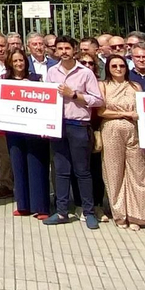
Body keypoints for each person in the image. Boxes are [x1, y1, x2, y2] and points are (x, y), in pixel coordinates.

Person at [44, 38, 102, 229]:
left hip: (78, 124)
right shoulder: (52, 72)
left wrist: (74, 95)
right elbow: (46, 98)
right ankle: (61, 212)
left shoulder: (85, 73)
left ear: (74, 50)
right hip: (58, 125)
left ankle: (88, 211)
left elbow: (97, 100)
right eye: (60, 48)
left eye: (67, 48)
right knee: (61, 170)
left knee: (82, 171)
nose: (63, 51)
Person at [97, 55, 145, 231]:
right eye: (114, 66)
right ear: (108, 68)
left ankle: (137, 215)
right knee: (114, 172)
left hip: (134, 131)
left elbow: (143, 107)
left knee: (138, 172)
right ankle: (120, 214)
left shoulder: (135, 86)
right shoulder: (103, 85)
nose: (118, 69)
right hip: (111, 130)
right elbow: (101, 111)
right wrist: (124, 114)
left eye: (121, 66)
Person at [0, 47, 51, 219]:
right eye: (15, 61)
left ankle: (41, 207)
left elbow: (46, 104)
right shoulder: (4, 80)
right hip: (14, 130)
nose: (18, 64)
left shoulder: (37, 79)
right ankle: (23, 205)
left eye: (21, 60)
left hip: (35, 131)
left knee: (36, 165)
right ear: (10, 64)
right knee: (18, 166)